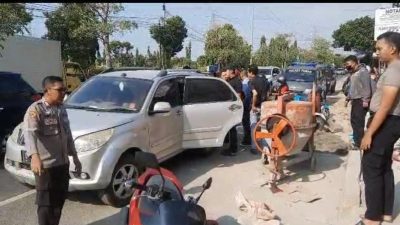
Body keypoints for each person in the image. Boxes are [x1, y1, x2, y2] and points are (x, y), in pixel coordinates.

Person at [24, 76, 82, 225]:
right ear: (47, 91)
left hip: (62, 164)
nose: (64, 92)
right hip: (46, 167)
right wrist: (35, 157)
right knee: (45, 206)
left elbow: (67, 134)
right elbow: (30, 134)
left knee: (59, 201)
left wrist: (75, 157)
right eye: (60, 90)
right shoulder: (36, 109)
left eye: (64, 89)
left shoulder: (61, 108)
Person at [358, 31, 400, 225]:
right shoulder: (394, 68)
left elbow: (385, 106)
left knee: (372, 169)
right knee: (384, 168)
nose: (377, 53)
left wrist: (369, 133)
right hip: (390, 123)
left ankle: (372, 218)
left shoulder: (394, 70)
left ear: (392, 49)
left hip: (385, 122)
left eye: (379, 48)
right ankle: (384, 213)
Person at [344, 55, 372, 150]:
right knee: (354, 121)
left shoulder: (363, 72)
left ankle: (359, 144)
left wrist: (366, 100)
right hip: (355, 100)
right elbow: (352, 88)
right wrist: (348, 98)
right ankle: (357, 141)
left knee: (358, 122)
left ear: (354, 62)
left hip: (361, 100)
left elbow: (366, 87)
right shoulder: (354, 73)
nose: (346, 66)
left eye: (348, 64)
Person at [221, 66, 243, 156]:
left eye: (227, 72)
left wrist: (235, 108)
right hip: (229, 106)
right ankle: (231, 147)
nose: (227, 74)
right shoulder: (231, 80)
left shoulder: (237, 81)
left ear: (231, 71)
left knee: (233, 129)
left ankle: (233, 150)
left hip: (233, 107)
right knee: (230, 128)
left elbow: (238, 95)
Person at [248, 64, 269, 154]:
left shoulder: (252, 82)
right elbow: (268, 93)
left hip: (255, 107)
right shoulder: (266, 81)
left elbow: (255, 94)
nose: (248, 74)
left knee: (253, 126)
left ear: (251, 72)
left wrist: (253, 106)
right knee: (264, 127)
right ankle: (265, 147)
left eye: (248, 72)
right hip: (264, 106)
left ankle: (254, 147)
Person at [240, 70, 252, 146]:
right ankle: (248, 139)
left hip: (245, 105)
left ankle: (247, 140)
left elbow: (244, 97)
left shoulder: (244, 84)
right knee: (247, 122)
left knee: (245, 123)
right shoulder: (249, 83)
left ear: (241, 76)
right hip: (249, 105)